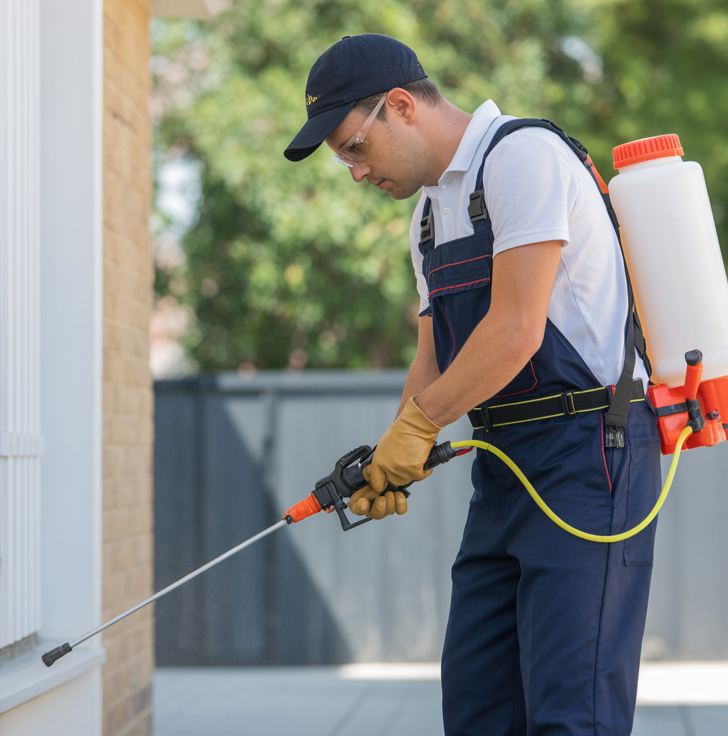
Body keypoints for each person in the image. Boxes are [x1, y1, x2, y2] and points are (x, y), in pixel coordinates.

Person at [283, 33, 660, 736]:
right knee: (480, 706)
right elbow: (434, 360)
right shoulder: (428, 219)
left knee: (570, 715)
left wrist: (422, 426)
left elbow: (517, 330)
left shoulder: (521, 159)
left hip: (589, 455)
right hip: (504, 465)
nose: (355, 173)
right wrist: (389, 458)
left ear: (401, 107)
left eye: (353, 149)